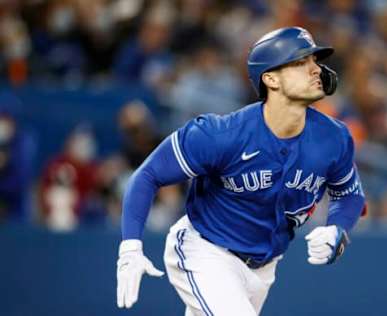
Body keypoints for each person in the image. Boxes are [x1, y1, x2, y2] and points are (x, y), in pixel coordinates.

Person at [116, 26, 366, 316]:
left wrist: (338, 229)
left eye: (314, 61)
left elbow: (349, 195)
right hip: (206, 251)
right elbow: (148, 175)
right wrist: (130, 248)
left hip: (264, 269)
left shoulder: (334, 138)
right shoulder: (221, 134)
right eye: (300, 62)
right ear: (270, 78)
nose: (315, 69)